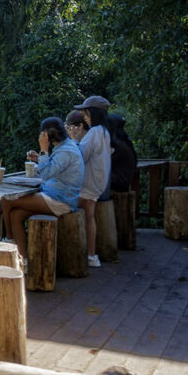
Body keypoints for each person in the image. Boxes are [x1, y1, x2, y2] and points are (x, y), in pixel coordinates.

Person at [2, 117, 84, 261]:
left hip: (60, 200)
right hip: (56, 196)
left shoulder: (66, 151)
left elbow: (46, 174)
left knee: (7, 200)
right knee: (16, 215)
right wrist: (39, 158)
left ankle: (9, 239)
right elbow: (54, 168)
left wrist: (43, 150)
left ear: (47, 135)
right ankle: (23, 260)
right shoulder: (65, 146)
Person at [74, 95, 112, 267]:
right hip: (97, 187)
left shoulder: (94, 132)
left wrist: (73, 140)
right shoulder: (104, 132)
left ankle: (70, 256)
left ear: (93, 113)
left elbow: (78, 158)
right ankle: (92, 256)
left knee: (52, 201)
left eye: (85, 113)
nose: (84, 117)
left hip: (86, 187)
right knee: (89, 217)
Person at [107, 114, 137, 193]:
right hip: (124, 182)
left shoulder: (117, 145)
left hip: (119, 184)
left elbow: (106, 163)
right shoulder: (125, 141)